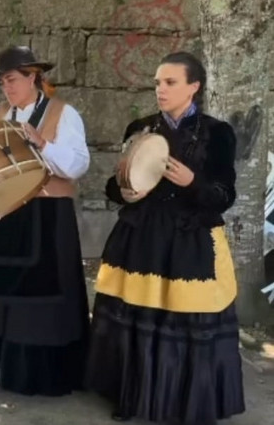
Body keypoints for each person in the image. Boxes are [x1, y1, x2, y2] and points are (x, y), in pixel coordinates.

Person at [87, 51, 245, 424]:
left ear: (194, 86)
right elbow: (117, 184)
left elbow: (225, 196)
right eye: (158, 82)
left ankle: (187, 403)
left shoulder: (218, 133)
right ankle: (131, 396)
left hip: (189, 242)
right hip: (140, 239)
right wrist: (122, 192)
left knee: (183, 319)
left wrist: (193, 183)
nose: (161, 89)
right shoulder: (139, 128)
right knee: (135, 317)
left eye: (170, 82)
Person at [0, 46, 91, 396]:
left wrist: (43, 143)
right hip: (0, 217)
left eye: (12, 80)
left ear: (33, 77)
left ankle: (36, 375)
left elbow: (77, 165)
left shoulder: (64, 114)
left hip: (45, 218)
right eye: (3, 82)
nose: (7, 88)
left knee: (40, 293)